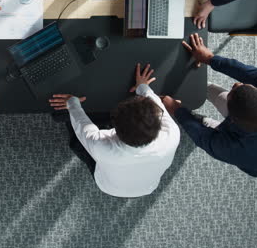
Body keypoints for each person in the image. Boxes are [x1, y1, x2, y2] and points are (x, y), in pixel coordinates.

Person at [166, 33, 257, 177]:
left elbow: (204, 138)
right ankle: (203, 89)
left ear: (231, 119)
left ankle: (206, 121)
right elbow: (248, 72)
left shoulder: (238, 151)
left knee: (206, 127)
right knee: (217, 95)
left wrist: (176, 109)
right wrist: (210, 58)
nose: (236, 83)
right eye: (244, 85)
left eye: (232, 91)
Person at [48, 63, 180, 198]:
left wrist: (71, 101)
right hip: (148, 187)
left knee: (78, 142)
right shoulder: (172, 135)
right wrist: (143, 87)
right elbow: (158, 108)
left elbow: (81, 123)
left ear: (114, 127)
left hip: (108, 186)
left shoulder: (100, 147)